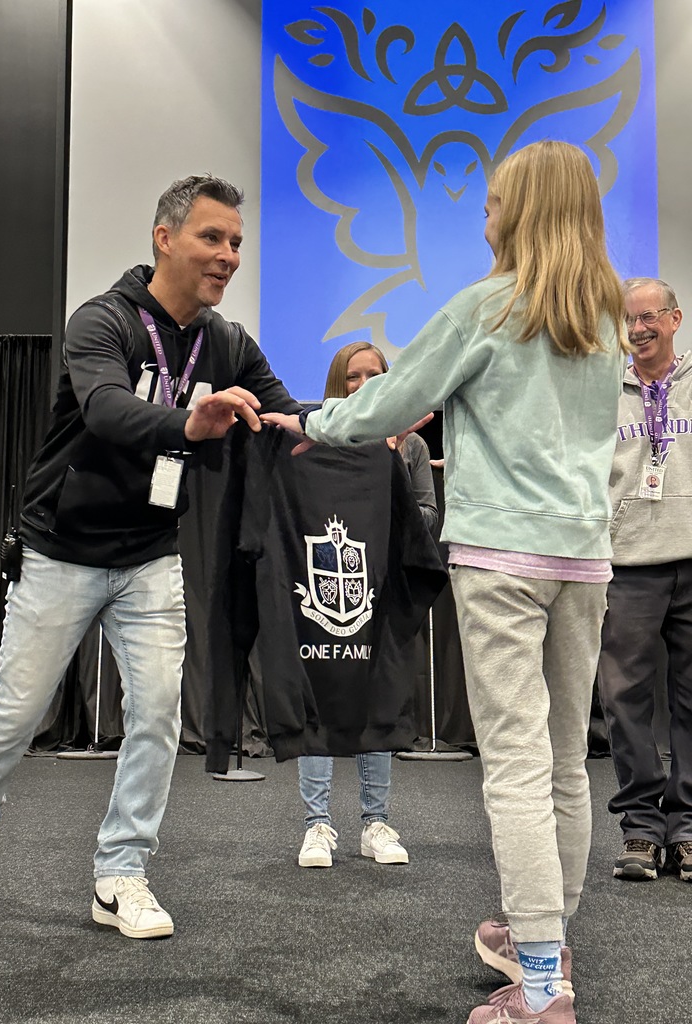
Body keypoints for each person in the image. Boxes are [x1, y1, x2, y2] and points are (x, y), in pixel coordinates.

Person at [263, 140, 627, 1024]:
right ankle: (545, 934)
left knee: (513, 768)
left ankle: (541, 987)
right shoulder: (608, 319)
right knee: (565, 767)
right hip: (583, 561)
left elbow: (387, 406)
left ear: (526, 211)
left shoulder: (486, 308)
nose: (486, 214)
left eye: (497, 201)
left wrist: (311, 418)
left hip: (502, 561)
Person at [0, 174, 299, 938]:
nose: (228, 255)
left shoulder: (226, 341)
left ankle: (121, 872)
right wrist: (187, 425)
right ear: (165, 238)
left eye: (236, 242)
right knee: (13, 715)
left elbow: (289, 412)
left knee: (159, 713)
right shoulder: (104, 320)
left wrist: (374, 425)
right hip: (60, 550)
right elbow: (103, 408)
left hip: (151, 553)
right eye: (211, 238)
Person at [297, 341, 439, 869]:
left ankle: (375, 822)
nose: (362, 386)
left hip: (384, 593)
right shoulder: (314, 445)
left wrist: (391, 464)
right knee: (320, 698)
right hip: (325, 591)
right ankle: (317, 826)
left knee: (377, 699)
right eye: (351, 378)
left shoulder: (411, 448)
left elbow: (425, 518)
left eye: (373, 376)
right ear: (337, 387)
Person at [597, 277, 692, 882]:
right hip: (627, 563)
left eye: (649, 317)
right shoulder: (604, 389)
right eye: (628, 320)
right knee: (623, 700)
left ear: (675, 319)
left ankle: (687, 827)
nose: (637, 329)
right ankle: (639, 827)